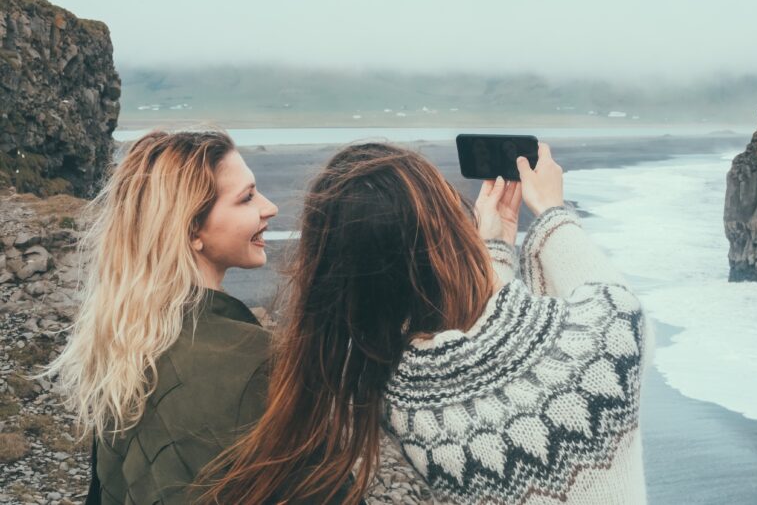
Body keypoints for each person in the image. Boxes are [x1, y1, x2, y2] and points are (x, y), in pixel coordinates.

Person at [200, 142, 650, 504]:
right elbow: (616, 304)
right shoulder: (598, 356)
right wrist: (552, 214)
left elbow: (476, 355)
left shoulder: (388, 404)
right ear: (451, 238)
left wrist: (492, 250)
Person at [46, 130, 279, 503]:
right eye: (247, 198)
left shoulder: (124, 343)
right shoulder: (255, 356)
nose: (269, 207)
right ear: (191, 230)